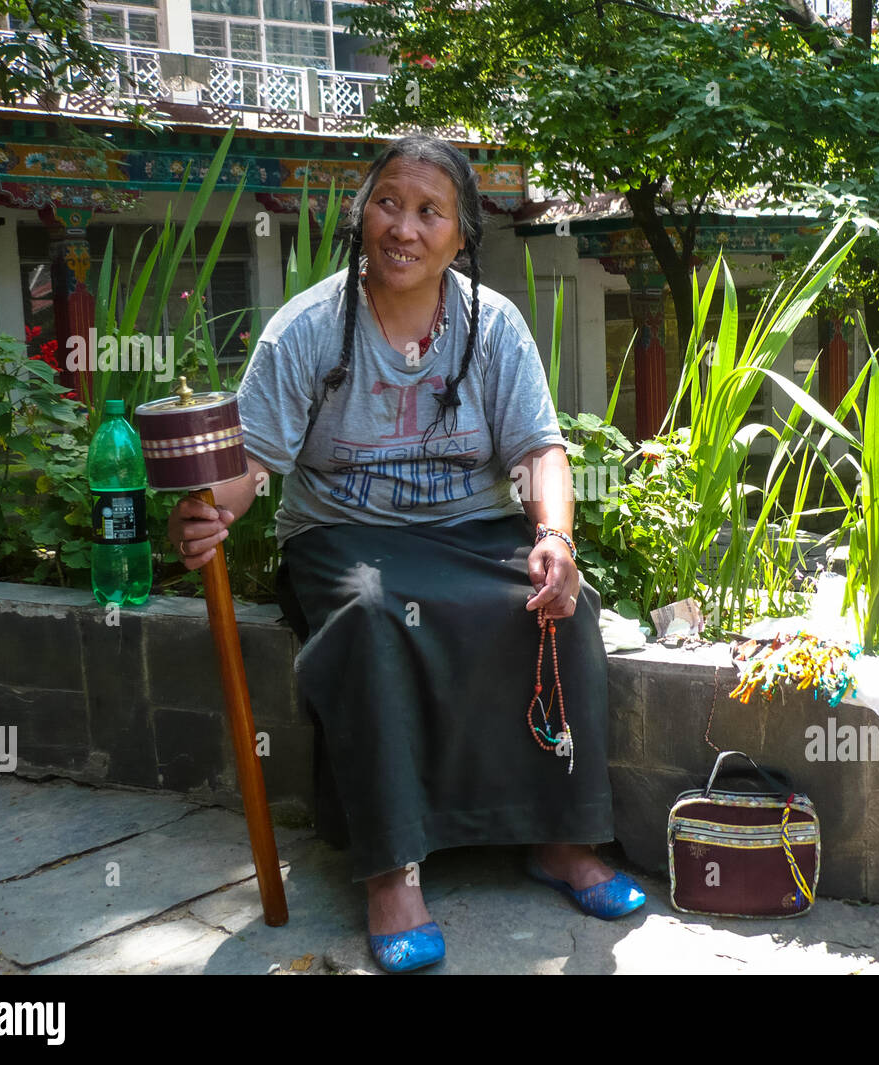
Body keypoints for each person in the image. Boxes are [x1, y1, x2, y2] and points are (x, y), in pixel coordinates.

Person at [166, 134, 645, 973]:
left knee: (563, 607)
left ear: (460, 237)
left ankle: (562, 839)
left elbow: (540, 450)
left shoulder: (492, 326)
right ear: (362, 213)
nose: (404, 228)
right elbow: (250, 464)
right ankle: (392, 870)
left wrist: (555, 538)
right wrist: (212, 515)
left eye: (431, 212)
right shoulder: (307, 330)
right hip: (341, 535)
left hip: (471, 529)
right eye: (389, 202)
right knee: (370, 612)